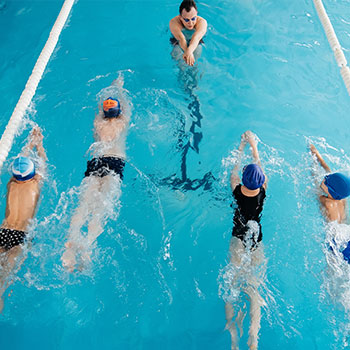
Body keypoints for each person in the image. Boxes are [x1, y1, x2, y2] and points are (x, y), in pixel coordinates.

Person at [62, 75, 131, 272]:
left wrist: (109, 90)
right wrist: (119, 88)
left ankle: (70, 244)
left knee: (84, 203)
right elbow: (126, 106)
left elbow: (99, 109)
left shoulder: (98, 122)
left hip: (96, 160)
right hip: (115, 161)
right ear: (119, 113)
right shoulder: (123, 122)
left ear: (104, 112)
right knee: (101, 207)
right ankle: (88, 246)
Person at [225, 131, 267, 350]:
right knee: (254, 287)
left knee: (232, 283)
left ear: (242, 181)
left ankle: (233, 333)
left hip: (238, 237)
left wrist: (241, 147)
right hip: (256, 240)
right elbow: (258, 164)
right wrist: (254, 145)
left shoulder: (236, 189)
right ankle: (253, 336)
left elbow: (234, 169)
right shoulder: (263, 191)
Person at [0, 127, 47, 312]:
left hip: (3, 231)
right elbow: (43, 161)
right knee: (2, 285)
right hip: (21, 236)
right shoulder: (36, 183)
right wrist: (38, 143)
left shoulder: (11, 183)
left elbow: (19, 160)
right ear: (32, 173)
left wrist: (28, 144)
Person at [310, 144, 350, 261]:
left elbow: (314, 185)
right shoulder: (342, 198)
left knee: (333, 269)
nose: (324, 179)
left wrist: (313, 166)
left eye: (325, 181)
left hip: (337, 240)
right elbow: (330, 172)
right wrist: (318, 156)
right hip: (346, 235)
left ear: (331, 192)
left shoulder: (327, 202)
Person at [169, 0, 207, 66]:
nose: (190, 23)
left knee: (197, 52)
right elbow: (181, 39)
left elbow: (196, 38)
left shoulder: (202, 22)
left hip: (195, 41)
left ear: (196, 14)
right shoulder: (174, 22)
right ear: (180, 17)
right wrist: (188, 53)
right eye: (186, 20)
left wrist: (189, 52)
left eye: (193, 18)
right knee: (176, 55)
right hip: (179, 41)